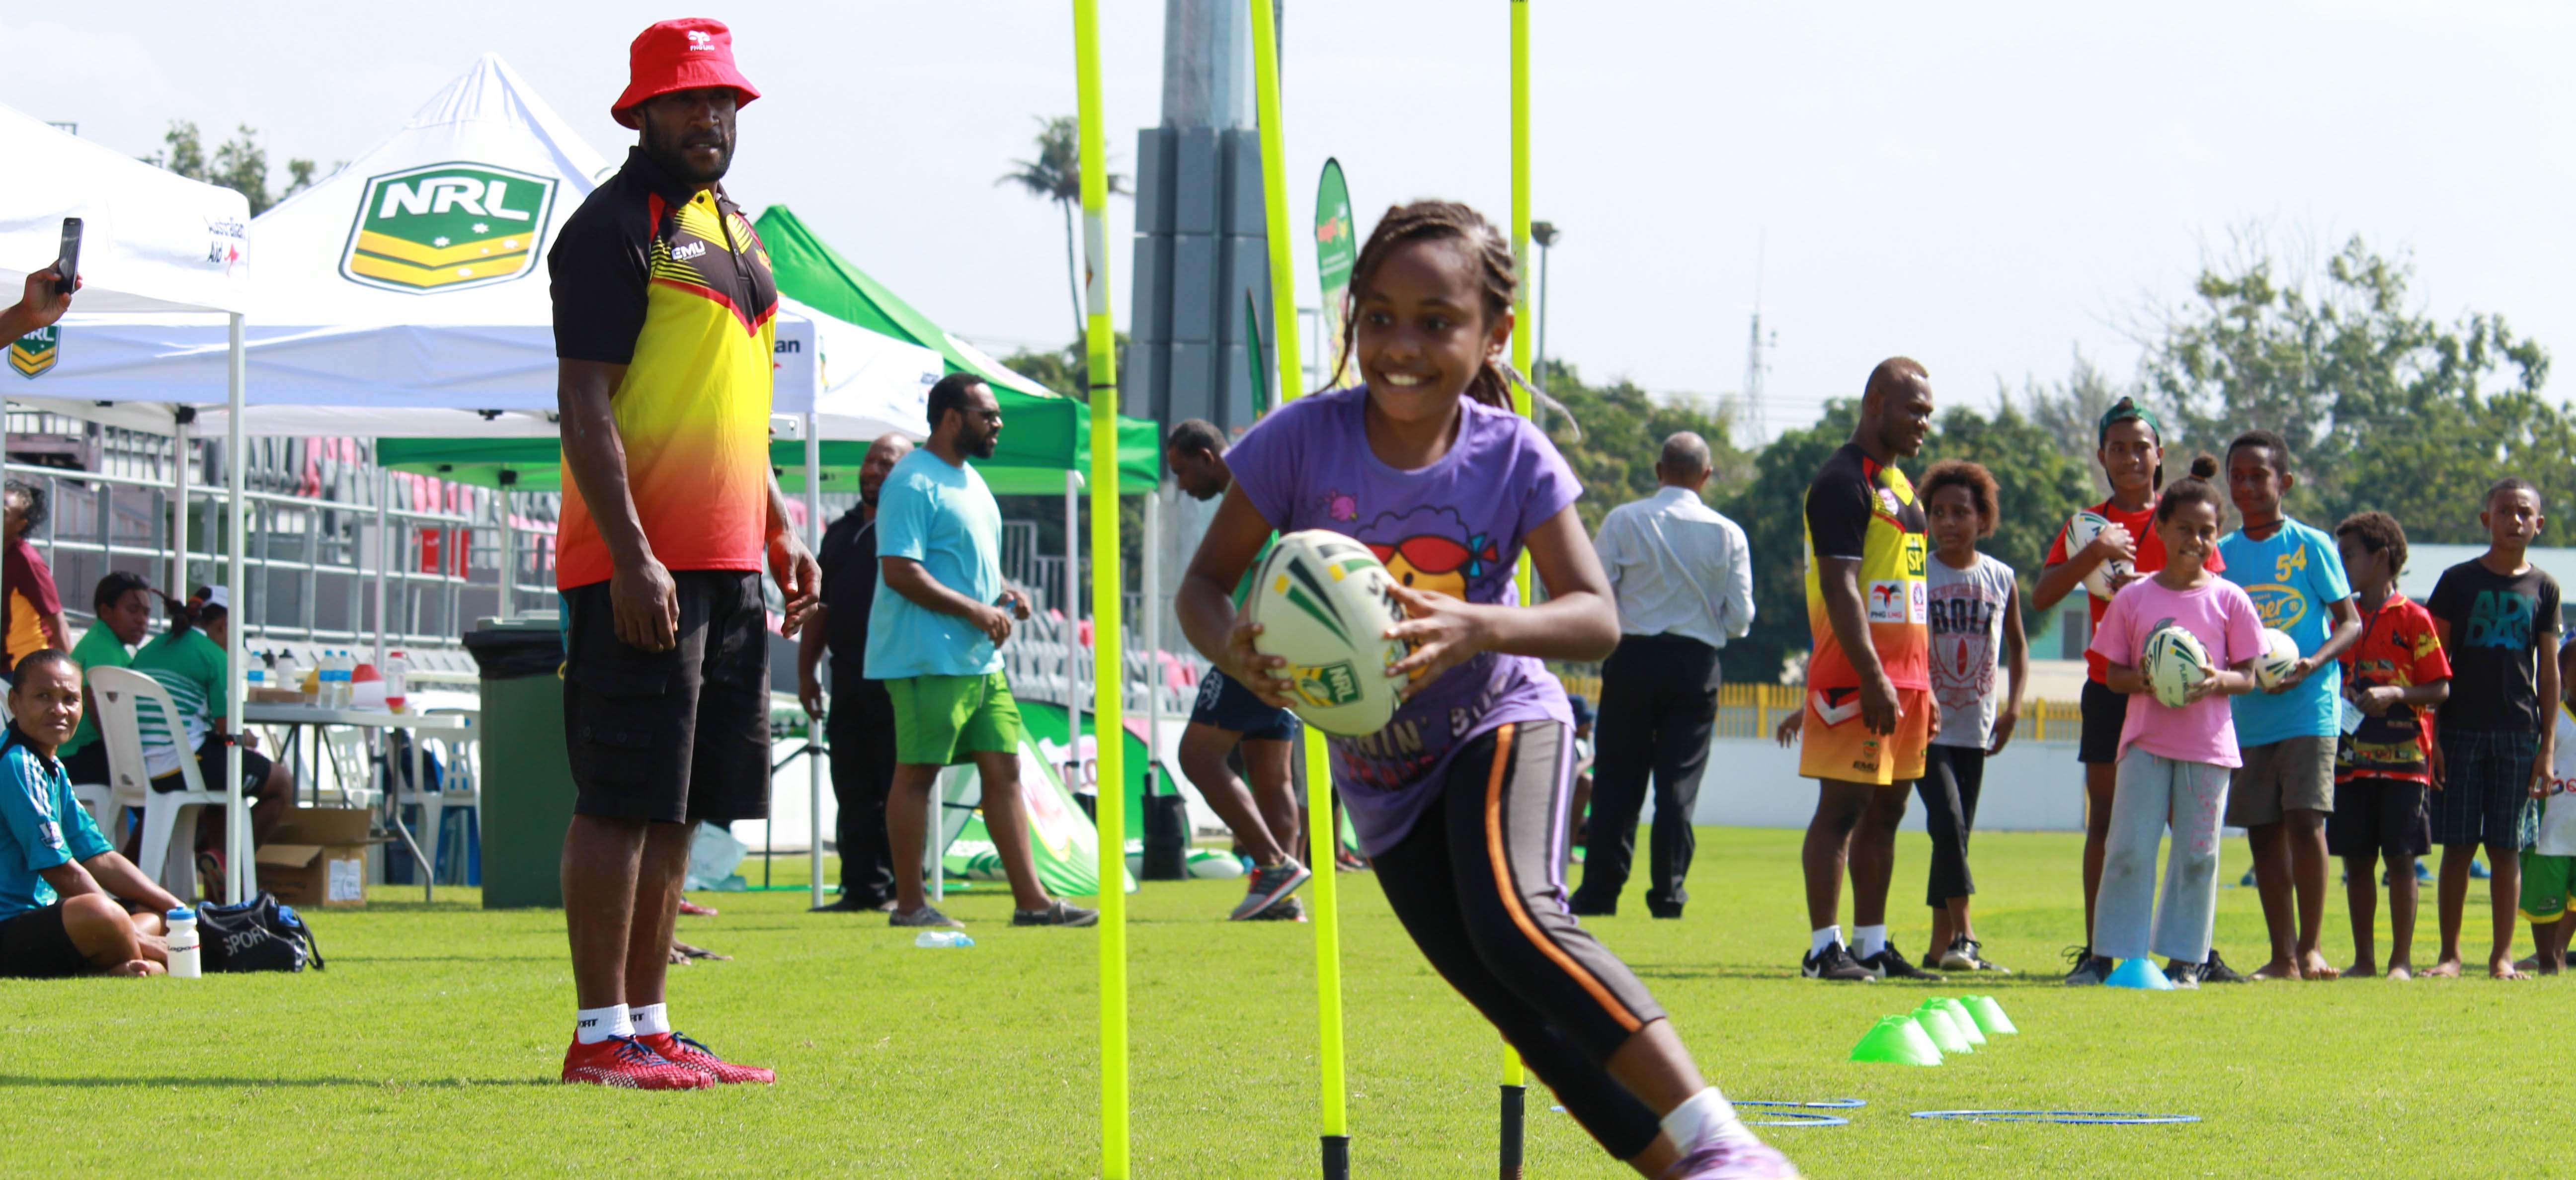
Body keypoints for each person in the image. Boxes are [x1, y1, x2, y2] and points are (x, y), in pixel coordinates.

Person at [1180, 200, 1795, 1179]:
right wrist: (1239, 651)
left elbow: (1594, 616)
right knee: (1514, 1001)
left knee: (1517, 918)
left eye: (1436, 320)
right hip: (1383, 784)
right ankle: (1691, 1175)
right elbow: (1203, 587)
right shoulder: (1299, 441)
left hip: (1501, 717)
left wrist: (1479, 624)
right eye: (1377, 316)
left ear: (1493, 332)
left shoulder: (1511, 454)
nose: (1401, 344)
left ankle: (1725, 1138)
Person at [548, 17, 812, 1089]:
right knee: (619, 795)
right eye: (690, 100)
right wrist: (632, 554)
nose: (712, 117)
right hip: (641, 560)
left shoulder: (733, 226)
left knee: (678, 799)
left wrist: (779, 524)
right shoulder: (614, 226)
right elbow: (584, 402)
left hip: (730, 556)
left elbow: (732, 396)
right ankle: (598, 1032)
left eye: (725, 102)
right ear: (643, 110)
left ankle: (650, 1022)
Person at [872, 373, 1094, 931]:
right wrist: (976, 611)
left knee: (1006, 769)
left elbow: (959, 568)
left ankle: (1033, 901)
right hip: (928, 657)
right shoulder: (912, 480)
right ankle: (909, 905)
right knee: (918, 774)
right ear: (952, 417)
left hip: (979, 659)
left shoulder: (971, 482)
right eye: (988, 414)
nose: (998, 425)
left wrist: (998, 597)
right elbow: (900, 570)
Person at [2031, 396, 2237, 985]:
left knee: (2187, 824)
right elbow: (2045, 595)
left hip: (2180, 692)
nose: (2129, 457)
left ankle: (2192, 950)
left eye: (2140, 447)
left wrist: (2142, 580)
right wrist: (2096, 554)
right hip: (2114, 684)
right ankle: (2101, 951)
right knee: (2108, 820)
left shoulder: (2185, 518)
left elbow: (2211, 592)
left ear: (2159, 455)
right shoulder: (2087, 525)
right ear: (2101, 456)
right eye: (2117, 448)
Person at [2085, 456, 2264, 988]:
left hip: (2208, 746)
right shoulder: (2135, 597)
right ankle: (2115, 957)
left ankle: (2186, 960)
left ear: (2218, 537)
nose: (2196, 539)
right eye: (2184, 528)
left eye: (2207, 532)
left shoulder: (2230, 599)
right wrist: (2142, 679)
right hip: (2145, 742)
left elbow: (2249, 677)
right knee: (2129, 848)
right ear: (2160, 529)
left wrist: (2215, 681)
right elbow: (2111, 673)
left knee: (2198, 855)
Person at [1789, 358, 1940, 984]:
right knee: (1842, 810)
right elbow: (1840, 585)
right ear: (1876, 401)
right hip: (1858, 675)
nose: (1924, 423)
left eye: (1929, 413)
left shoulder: (1902, 487)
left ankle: (1872, 943)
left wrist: (1919, 681)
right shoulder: (1840, 482)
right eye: (1914, 410)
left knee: (1888, 813)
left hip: (1907, 680)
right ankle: (1824, 948)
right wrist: (1874, 674)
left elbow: (1909, 586)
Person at [1569, 431, 1751, 921]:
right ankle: (1668, 895)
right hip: (1695, 665)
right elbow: (1740, 619)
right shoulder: (1728, 533)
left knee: (1616, 783)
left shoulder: (1624, 520)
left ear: (1658, 470)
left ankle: (1599, 894)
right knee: (1678, 785)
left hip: (1632, 658)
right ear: (1707, 476)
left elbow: (1597, 591)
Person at [2216, 431, 2362, 981]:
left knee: (2305, 820)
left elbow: (2350, 620)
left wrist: (2312, 662)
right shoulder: (2223, 554)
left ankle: (2312, 948)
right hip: (2251, 713)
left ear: (2286, 482)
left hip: (2310, 706)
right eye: (2238, 476)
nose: (2248, 486)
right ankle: (2282, 957)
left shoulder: (2312, 544)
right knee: (2263, 828)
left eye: (2259, 475)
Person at [1165, 418, 1311, 921]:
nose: (1182, 487)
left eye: (1182, 472)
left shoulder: (1250, 498)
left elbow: (1276, 567)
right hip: (1289, 651)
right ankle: (1282, 896)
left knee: (1198, 758)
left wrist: (1242, 641)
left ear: (1208, 456)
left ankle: (1274, 866)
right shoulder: (1262, 488)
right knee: (1272, 775)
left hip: (1255, 646)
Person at [2422, 478, 2560, 980]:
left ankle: (2501, 956)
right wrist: (2432, 737)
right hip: (2459, 731)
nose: (2516, 520)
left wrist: (2546, 747)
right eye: (2506, 511)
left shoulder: (2544, 588)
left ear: (2539, 524)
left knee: (2506, 848)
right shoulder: (2458, 581)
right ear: (2487, 519)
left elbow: (2549, 672)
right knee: (2458, 846)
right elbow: (2433, 664)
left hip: (2519, 733)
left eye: (2525, 513)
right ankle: (2450, 955)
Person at [0, 649, 183, 978]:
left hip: (47, 920)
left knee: (154, 913)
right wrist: (131, 930)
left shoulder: (51, 766)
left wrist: (179, 910)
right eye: (43, 696)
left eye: (70, 699)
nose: (59, 710)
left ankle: (119, 964)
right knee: (102, 911)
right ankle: (124, 965)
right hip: (10, 927)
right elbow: (62, 871)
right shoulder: (16, 764)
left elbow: (100, 857)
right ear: (15, 702)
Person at [1915, 460, 2025, 973]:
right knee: (1949, 822)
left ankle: (1939, 949)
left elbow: (2019, 648)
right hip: (1925, 726)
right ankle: (1967, 935)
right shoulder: (1917, 570)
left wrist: (2015, 705)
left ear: (1984, 517)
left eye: (1961, 512)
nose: (1949, 522)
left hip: (1977, 726)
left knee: (1953, 836)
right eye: (1938, 512)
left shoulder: (2001, 577)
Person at [2329, 511, 2448, 980]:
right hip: (2350, 759)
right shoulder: (2341, 618)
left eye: (2349, 556)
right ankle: (2364, 960)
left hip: (2405, 761)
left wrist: (2396, 693)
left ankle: (2400, 961)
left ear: (2381, 559)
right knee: (2357, 861)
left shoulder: (2414, 618)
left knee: (2401, 860)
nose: (2342, 566)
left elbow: (2439, 688)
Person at [801, 432, 914, 914]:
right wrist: (807, 671)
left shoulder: (908, 527)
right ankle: (860, 888)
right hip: (847, 677)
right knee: (849, 783)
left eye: (886, 463)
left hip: (897, 676)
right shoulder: (841, 531)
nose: (873, 470)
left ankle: (897, 889)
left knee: (896, 784)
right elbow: (821, 608)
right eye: (870, 462)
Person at [129, 588, 294, 864]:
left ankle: (217, 862)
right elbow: (227, 729)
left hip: (139, 767)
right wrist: (250, 740)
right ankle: (230, 865)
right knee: (281, 782)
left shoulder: (146, 653)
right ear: (222, 626)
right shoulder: (214, 656)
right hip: (181, 766)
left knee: (224, 773)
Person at [60, 571, 157, 788]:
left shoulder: (107, 643)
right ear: (106, 611)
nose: (142, 620)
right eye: (133, 610)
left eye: (146, 613)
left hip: (78, 753)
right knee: (166, 776)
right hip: (80, 755)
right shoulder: (103, 648)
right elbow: (104, 717)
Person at [2522, 638, 2576, 975]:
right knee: (2546, 903)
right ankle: (2546, 959)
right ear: (2563, 677)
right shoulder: (2550, 724)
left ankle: (2557, 952)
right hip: (2551, 834)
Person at [3, 480, 71, 679]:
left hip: (20, 672)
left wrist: (70, 682)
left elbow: (58, 625)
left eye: (3, 513)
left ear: (20, 524)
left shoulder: (27, 562)